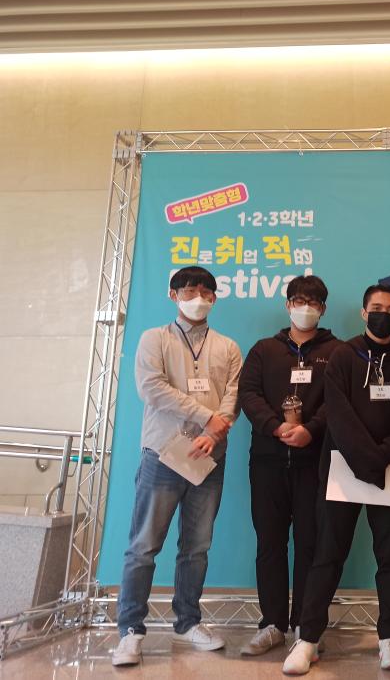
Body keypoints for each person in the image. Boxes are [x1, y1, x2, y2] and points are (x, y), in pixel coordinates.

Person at [282, 284, 390, 675]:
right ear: (364, 312)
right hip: (342, 471)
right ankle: (307, 639)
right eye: (376, 307)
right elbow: (338, 413)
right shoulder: (343, 356)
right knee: (326, 555)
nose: (383, 314)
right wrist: (369, 460)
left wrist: (384, 456)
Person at [112, 266, 242, 667]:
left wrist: (215, 432)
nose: (198, 298)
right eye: (189, 290)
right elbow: (152, 388)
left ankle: (188, 622)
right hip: (163, 454)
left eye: (206, 292)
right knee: (144, 546)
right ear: (174, 295)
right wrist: (206, 418)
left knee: (197, 547)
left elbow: (233, 396)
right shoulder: (155, 339)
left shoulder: (227, 347)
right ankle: (130, 630)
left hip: (209, 456)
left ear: (215, 298)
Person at [237, 276, 340, 656]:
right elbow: (248, 394)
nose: (305, 308)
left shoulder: (337, 351)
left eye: (313, 302)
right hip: (267, 461)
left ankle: (305, 627)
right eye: (298, 301)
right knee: (270, 543)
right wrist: (275, 426)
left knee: (311, 545)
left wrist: (311, 430)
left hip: (315, 462)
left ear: (323, 309)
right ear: (287, 305)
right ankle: (272, 624)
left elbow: (338, 399)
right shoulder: (264, 350)